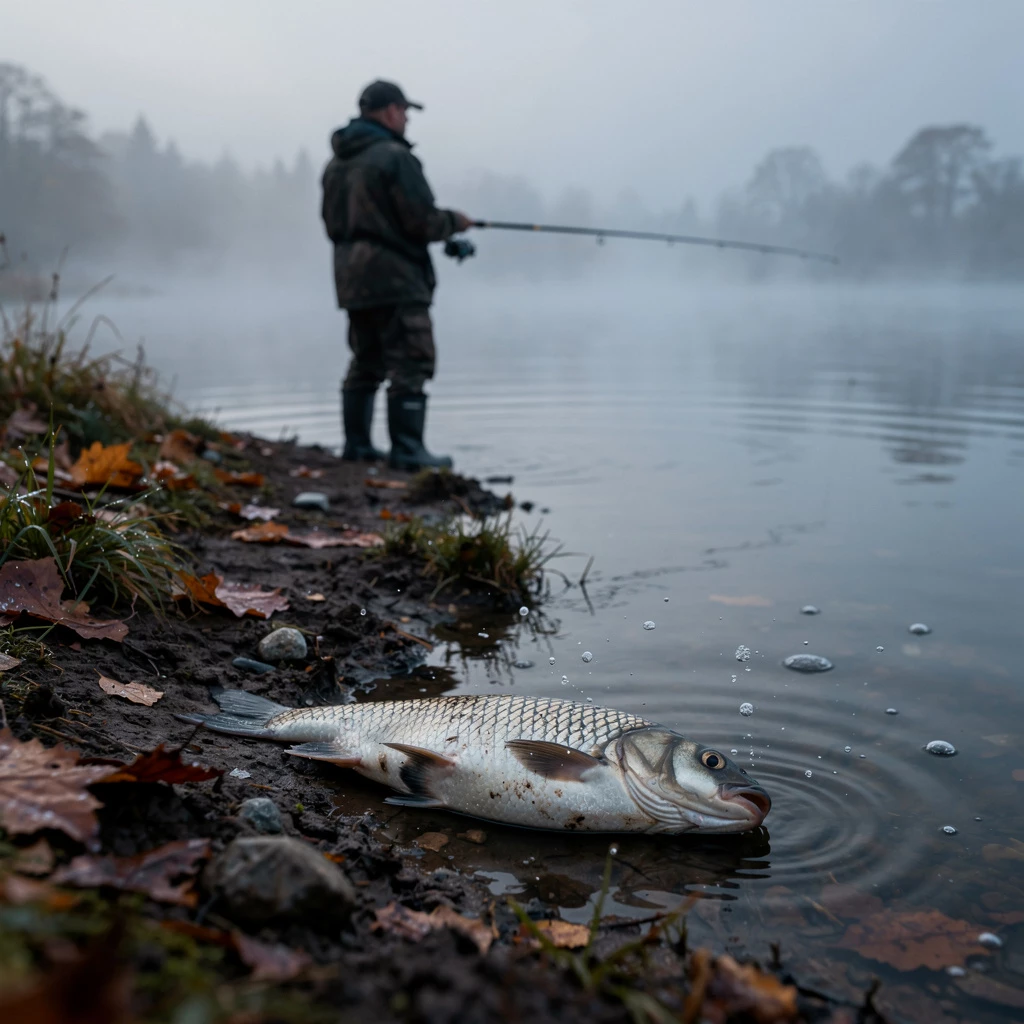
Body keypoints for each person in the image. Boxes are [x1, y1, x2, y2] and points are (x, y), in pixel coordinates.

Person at [321, 79, 472, 470]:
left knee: (366, 359)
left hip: (352, 279)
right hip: (397, 279)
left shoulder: (337, 164)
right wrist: (455, 222)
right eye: (404, 111)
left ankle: (357, 447)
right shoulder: (394, 157)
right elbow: (421, 221)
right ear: (390, 111)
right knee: (411, 361)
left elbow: (332, 223)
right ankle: (408, 451)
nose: (406, 119)